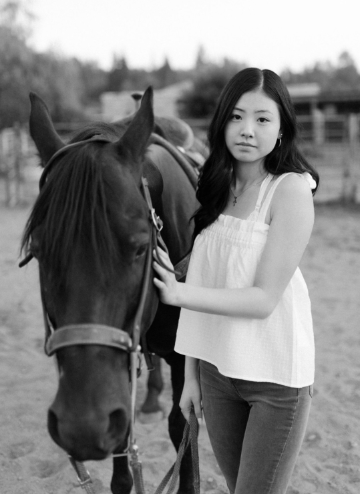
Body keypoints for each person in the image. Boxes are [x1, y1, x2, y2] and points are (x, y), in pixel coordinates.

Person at [153, 67, 319, 494]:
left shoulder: (290, 191)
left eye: (263, 119)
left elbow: (263, 299)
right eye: (237, 116)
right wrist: (190, 375)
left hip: (275, 380)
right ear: (222, 121)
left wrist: (176, 291)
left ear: (282, 129)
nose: (248, 130)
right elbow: (205, 283)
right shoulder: (215, 185)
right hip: (216, 371)